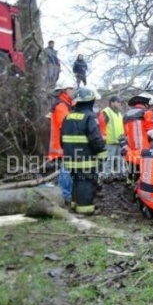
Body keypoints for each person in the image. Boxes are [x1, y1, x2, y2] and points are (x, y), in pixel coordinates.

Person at [60, 87, 107, 215]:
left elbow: (61, 139)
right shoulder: (89, 117)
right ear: (90, 102)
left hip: (70, 157)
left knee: (77, 180)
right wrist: (102, 152)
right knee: (86, 182)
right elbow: (95, 138)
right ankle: (85, 210)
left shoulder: (68, 117)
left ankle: (75, 205)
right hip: (85, 158)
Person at [120, 92, 153, 186]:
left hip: (130, 148)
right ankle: (142, 187)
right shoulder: (146, 113)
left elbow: (126, 133)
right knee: (143, 170)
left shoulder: (126, 114)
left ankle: (129, 184)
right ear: (146, 103)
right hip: (143, 149)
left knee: (132, 168)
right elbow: (150, 130)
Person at [48, 76, 76, 205]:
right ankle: (64, 195)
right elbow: (65, 125)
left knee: (66, 170)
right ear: (65, 90)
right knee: (66, 170)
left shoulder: (66, 105)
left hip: (64, 144)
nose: (74, 91)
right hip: (61, 145)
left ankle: (66, 193)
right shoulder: (61, 106)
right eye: (72, 89)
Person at [98, 95, 125, 181]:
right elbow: (101, 126)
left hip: (119, 142)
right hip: (109, 142)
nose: (120, 104)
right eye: (118, 102)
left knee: (120, 160)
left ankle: (122, 175)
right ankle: (106, 176)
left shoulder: (119, 114)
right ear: (112, 102)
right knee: (109, 160)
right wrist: (103, 138)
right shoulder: (106, 112)